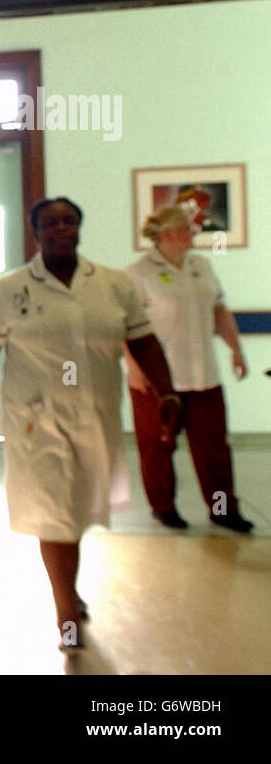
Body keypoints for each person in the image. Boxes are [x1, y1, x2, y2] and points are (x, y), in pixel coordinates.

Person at [0, 197, 179, 651]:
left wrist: (168, 393)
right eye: (50, 222)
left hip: (96, 416)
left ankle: (69, 592)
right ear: (35, 232)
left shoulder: (113, 284)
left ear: (80, 227)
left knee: (76, 511)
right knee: (54, 514)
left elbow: (145, 343)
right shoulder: (12, 288)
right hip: (35, 420)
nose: (61, 228)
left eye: (69, 220)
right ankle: (65, 613)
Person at [124, 205, 254, 533]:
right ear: (168, 234)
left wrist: (236, 350)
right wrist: (134, 368)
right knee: (157, 447)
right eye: (187, 229)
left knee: (215, 450)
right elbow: (124, 326)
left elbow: (220, 311)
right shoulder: (138, 273)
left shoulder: (202, 265)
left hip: (204, 377)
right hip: (157, 381)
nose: (193, 234)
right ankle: (164, 508)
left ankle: (223, 510)